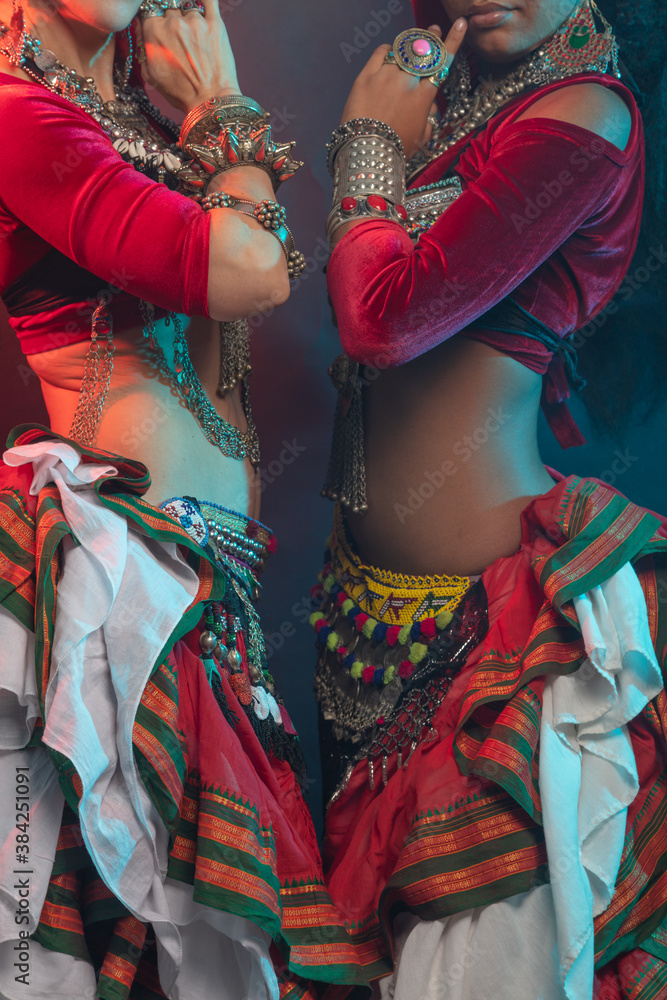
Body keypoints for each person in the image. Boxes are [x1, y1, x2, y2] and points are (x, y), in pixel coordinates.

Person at [0, 1, 365, 998]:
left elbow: (226, 351)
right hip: (123, 584)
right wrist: (228, 111)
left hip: (211, 592)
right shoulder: (17, 114)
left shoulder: (135, 120)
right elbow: (246, 272)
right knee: (150, 935)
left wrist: (196, 125)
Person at [313, 1, 667, 997]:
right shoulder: (459, 77)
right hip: (357, 610)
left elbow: (380, 322)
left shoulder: (587, 118)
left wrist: (372, 146)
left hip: (492, 629)